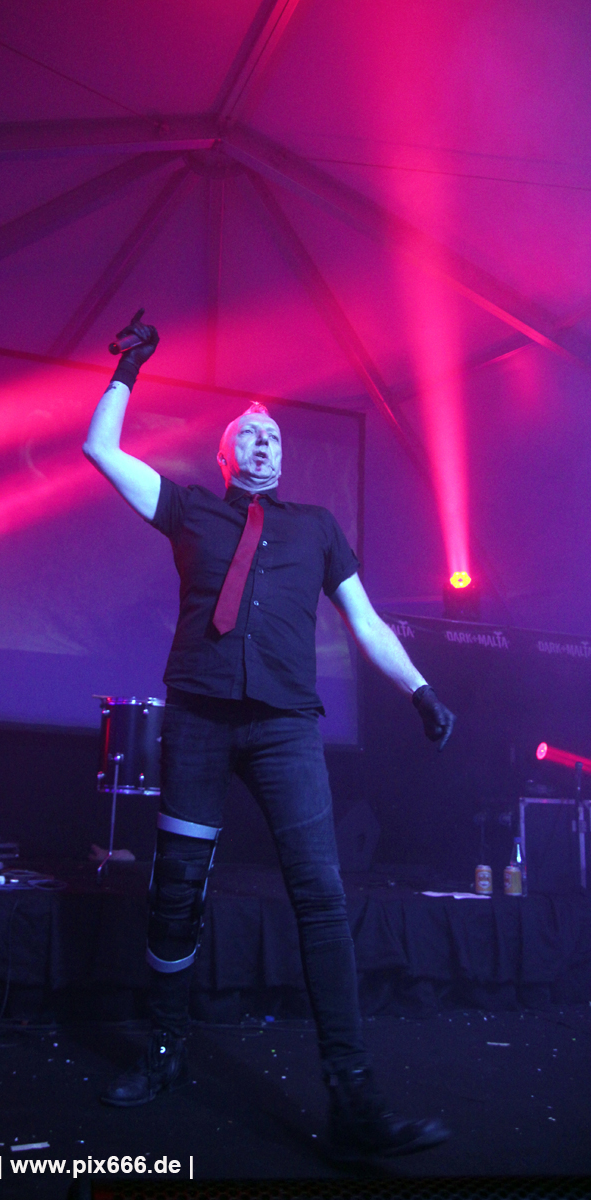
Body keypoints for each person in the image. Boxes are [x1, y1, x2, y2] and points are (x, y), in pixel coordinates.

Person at [83, 318, 455, 1159]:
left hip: (286, 728)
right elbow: (101, 451)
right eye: (248, 434)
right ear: (226, 456)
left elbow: (365, 620)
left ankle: (353, 1096)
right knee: (176, 894)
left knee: (321, 896)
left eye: (274, 436)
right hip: (199, 720)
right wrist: (129, 370)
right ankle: (166, 1049)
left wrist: (419, 688)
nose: (264, 442)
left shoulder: (316, 527)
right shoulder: (189, 509)